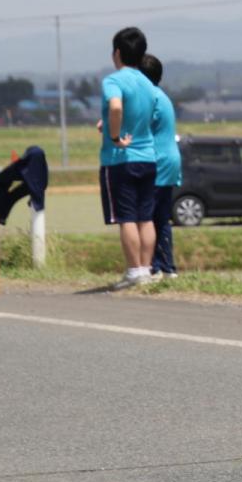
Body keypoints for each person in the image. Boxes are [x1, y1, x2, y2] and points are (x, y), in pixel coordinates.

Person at [99, 27, 158, 290]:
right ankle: (145, 268)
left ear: (117, 53)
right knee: (146, 217)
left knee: (126, 217)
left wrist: (114, 136)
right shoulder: (148, 84)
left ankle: (133, 270)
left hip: (120, 158)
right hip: (148, 156)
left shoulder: (113, 81)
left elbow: (116, 106)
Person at [139, 54, 181, 279]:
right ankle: (167, 267)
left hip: (157, 161)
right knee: (161, 217)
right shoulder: (161, 95)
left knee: (148, 216)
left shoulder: (150, 98)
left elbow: (136, 126)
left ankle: (155, 267)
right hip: (169, 161)